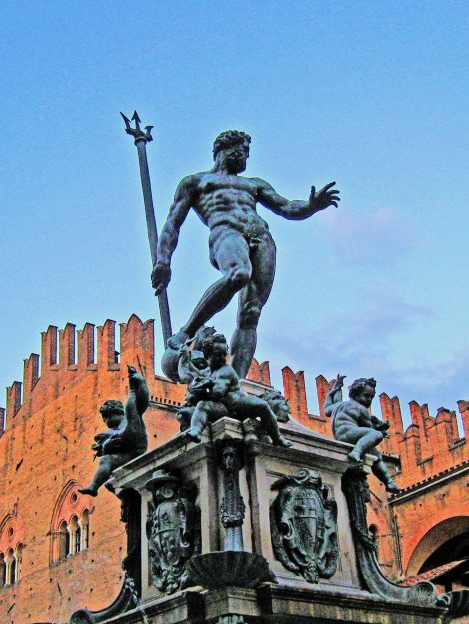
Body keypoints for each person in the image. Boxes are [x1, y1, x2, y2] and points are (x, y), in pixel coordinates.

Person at [152, 130, 339, 378]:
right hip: (226, 233)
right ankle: (187, 332)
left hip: (262, 236)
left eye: (247, 153)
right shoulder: (195, 182)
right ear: (222, 150)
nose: (244, 157)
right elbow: (172, 224)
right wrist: (163, 260)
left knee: (251, 312)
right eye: (240, 150)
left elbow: (287, 207)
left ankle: (234, 384)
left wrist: (311, 206)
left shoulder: (255, 184)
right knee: (238, 274)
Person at [183, 332, 293, 447]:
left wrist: (203, 387)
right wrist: (184, 356)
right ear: (207, 355)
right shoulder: (206, 373)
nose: (221, 358)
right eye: (217, 354)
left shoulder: (226, 370)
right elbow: (187, 374)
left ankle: (277, 437)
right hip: (224, 409)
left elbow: (218, 392)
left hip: (240, 405)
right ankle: (195, 431)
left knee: (263, 405)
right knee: (202, 405)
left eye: (223, 354)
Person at [325, 374, 401, 493]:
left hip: (342, 435)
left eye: (371, 397)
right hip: (349, 433)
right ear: (355, 394)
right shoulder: (361, 409)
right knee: (377, 435)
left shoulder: (339, 405)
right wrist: (380, 429)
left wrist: (335, 389)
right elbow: (369, 428)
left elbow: (327, 408)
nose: (369, 400)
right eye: (366, 396)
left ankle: (389, 482)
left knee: (376, 456)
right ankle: (356, 452)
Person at [79, 366, 149, 496]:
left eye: (105, 417)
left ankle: (93, 487)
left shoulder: (130, 414)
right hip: (129, 453)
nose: (105, 421)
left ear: (115, 412)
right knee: (110, 479)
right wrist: (105, 446)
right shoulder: (115, 430)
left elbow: (143, 401)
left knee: (106, 461)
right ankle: (98, 486)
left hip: (136, 453)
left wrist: (141, 382)